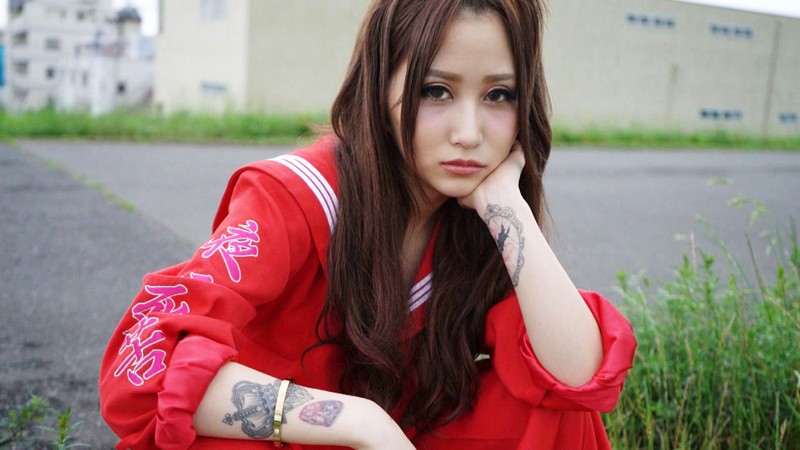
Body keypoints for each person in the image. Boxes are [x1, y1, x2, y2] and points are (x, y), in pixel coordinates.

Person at [99, 0, 636, 448]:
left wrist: (506, 207)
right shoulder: (298, 196)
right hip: (293, 438)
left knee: (554, 408)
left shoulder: (474, 222)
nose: (470, 133)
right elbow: (146, 365)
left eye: (499, 95)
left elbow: (578, 376)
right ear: (381, 87)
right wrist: (359, 422)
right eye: (436, 90)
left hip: (399, 435)